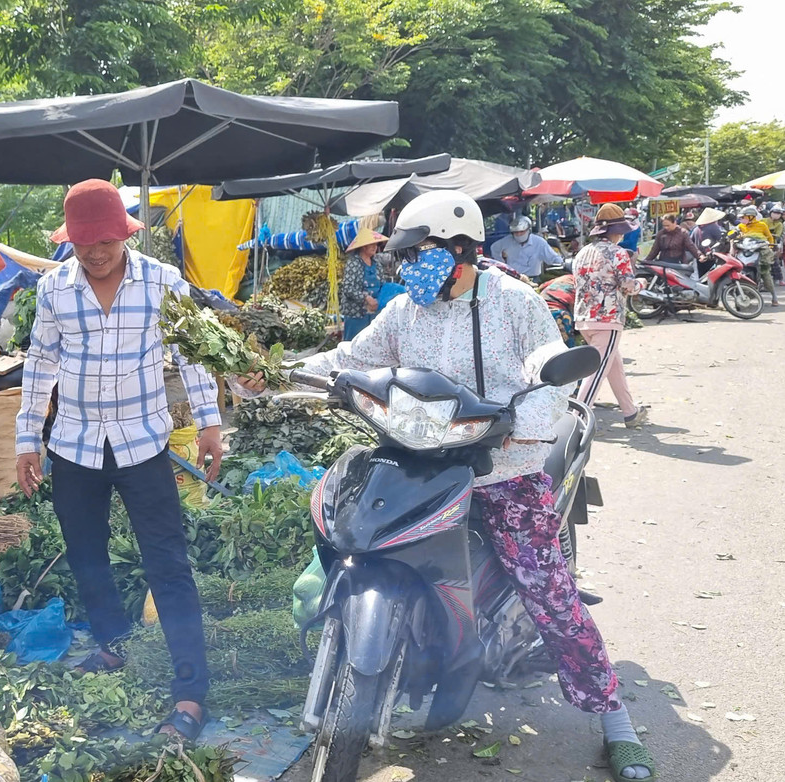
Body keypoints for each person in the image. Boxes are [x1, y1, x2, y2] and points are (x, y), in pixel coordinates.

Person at [231, 190, 656, 782]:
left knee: (548, 592)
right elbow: (353, 355)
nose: (408, 267)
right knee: (344, 538)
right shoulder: (407, 308)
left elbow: (549, 371)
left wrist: (521, 426)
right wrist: (279, 371)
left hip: (502, 468)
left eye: (420, 253)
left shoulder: (514, 302)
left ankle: (615, 722)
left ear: (461, 249)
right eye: (404, 256)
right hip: (416, 463)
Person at [14, 179, 220, 741]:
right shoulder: (54, 290)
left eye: (106, 241)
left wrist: (210, 422)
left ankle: (189, 694)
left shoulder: (162, 282)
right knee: (88, 558)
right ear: (71, 243)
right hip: (74, 447)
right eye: (85, 244)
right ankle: (113, 646)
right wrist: (27, 439)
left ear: (124, 234)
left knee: (168, 567)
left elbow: (193, 353)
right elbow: (39, 365)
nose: (96, 253)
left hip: (142, 445)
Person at [574, 203, 647, 428]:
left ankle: (630, 412)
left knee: (613, 364)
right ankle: (575, 420)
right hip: (608, 318)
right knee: (596, 372)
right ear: (617, 232)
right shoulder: (618, 253)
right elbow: (627, 285)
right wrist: (640, 283)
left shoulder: (583, 252)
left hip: (584, 317)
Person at [339, 216, 407, 340]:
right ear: (363, 246)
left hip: (374, 311)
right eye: (372, 245)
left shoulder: (376, 262)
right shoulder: (354, 263)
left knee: (371, 344)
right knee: (353, 343)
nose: (375, 247)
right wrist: (366, 298)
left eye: (376, 244)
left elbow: (381, 284)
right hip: (356, 314)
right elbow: (348, 289)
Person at [489, 215, 561, 281]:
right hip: (513, 279)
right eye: (516, 232)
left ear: (528, 230)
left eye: (521, 232)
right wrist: (502, 263)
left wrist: (563, 265)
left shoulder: (539, 242)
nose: (519, 234)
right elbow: (494, 248)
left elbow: (553, 258)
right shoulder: (506, 241)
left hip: (533, 279)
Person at [738, 205, 779, 305]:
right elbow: (735, 234)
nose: (741, 220)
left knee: (765, 273)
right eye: (741, 218)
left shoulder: (762, 225)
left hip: (760, 251)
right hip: (745, 251)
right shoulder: (740, 226)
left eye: (743, 217)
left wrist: (770, 247)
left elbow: (769, 237)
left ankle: (774, 297)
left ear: (751, 217)